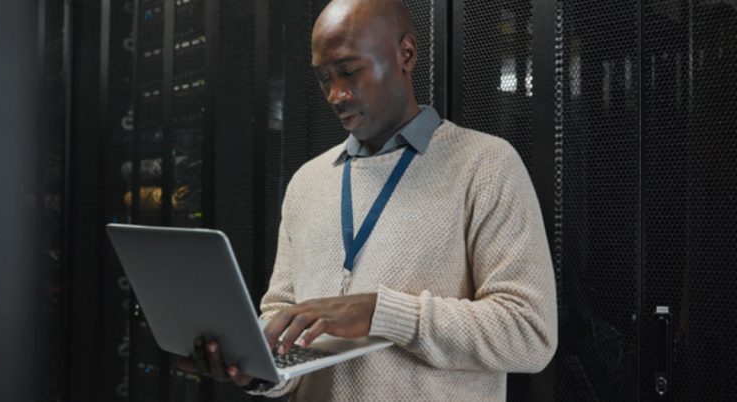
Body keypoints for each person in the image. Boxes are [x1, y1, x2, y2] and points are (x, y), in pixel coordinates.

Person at [178, 0, 557, 400]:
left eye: (349, 71)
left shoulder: (485, 165)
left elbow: (530, 333)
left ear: (405, 54)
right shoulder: (307, 182)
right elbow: (281, 317)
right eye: (324, 78)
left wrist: (380, 312)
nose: (335, 95)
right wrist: (256, 369)